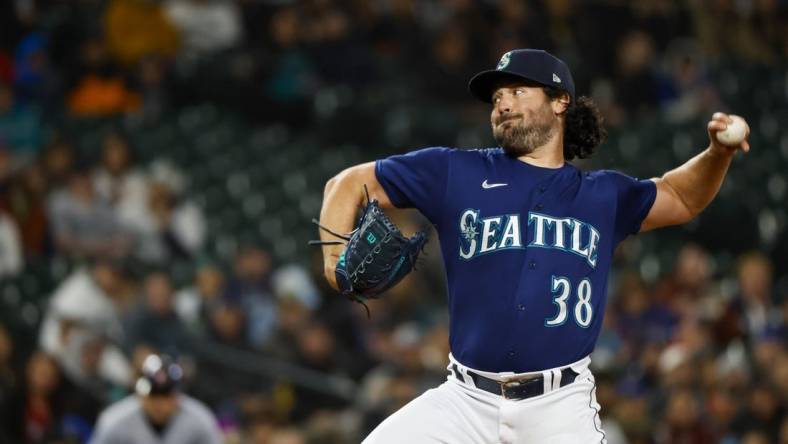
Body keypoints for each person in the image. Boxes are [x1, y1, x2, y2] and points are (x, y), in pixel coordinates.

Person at [317, 49, 751, 443]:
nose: (502, 103)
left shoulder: (603, 196)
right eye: (496, 97)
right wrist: (334, 263)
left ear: (560, 101)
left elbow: (681, 197)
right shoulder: (456, 172)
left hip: (559, 409)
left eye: (518, 91)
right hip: (465, 401)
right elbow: (348, 183)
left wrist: (717, 154)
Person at [91, 354, 222, 444]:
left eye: (166, 396)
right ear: (141, 395)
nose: (160, 404)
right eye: (153, 396)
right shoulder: (115, 421)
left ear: (178, 396)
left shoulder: (200, 419)